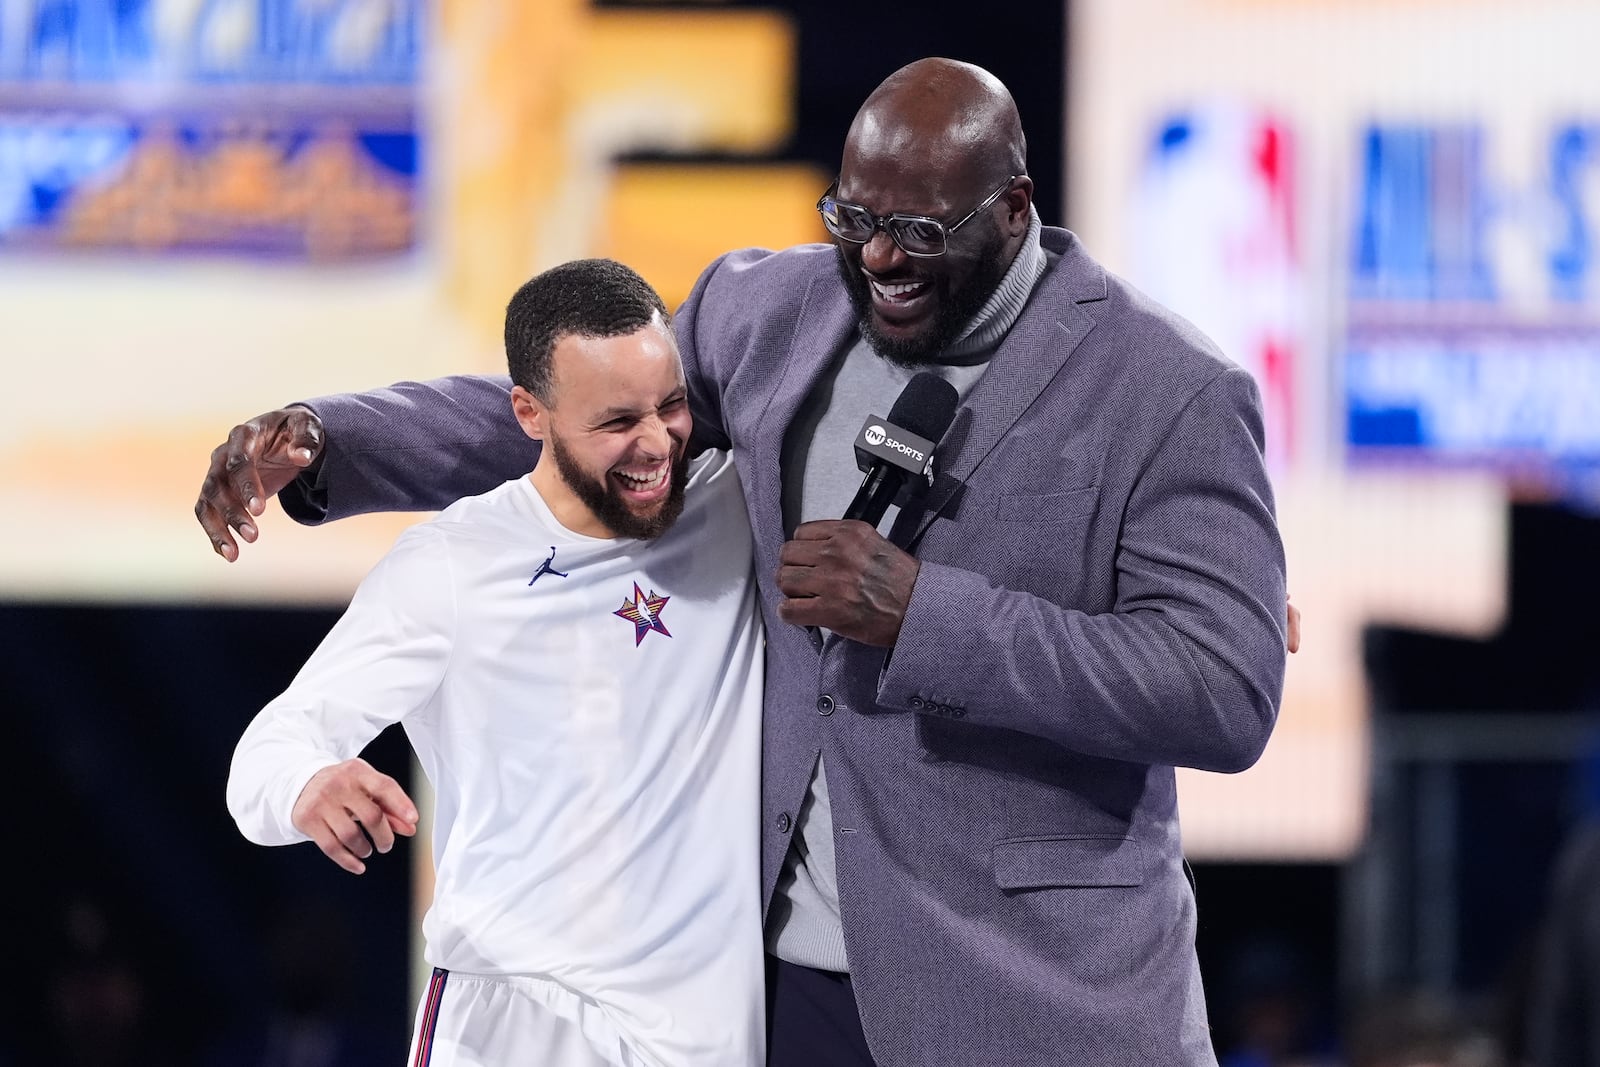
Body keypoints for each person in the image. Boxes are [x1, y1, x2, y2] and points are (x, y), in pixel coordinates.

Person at [200, 59, 1290, 1066]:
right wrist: (331, 439)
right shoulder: (769, 310)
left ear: (1013, 210)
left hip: (1032, 993)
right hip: (774, 993)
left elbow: (1224, 687)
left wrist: (926, 614)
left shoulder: (1168, 389)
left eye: (915, 228)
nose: (875, 257)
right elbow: (581, 420)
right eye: (853, 217)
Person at [225, 259, 766, 1067]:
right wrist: (308, 786)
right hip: (512, 1022)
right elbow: (269, 750)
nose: (656, 442)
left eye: (673, 405)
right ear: (529, 413)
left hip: (702, 1036)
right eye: (617, 421)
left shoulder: (733, 504)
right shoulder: (451, 566)